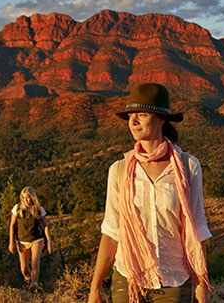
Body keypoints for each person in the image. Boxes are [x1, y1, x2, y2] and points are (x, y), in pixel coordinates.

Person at [87, 83, 212, 303]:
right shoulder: (119, 170)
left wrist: (202, 284)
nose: (133, 121)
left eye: (142, 115)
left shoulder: (187, 167)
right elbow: (111, 231)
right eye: (131, 115)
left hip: (173, 279)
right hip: (128, 279)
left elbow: (198, 227)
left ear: (162, 119)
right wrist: (95, 287)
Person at [8, 186, 53, 291]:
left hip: (37, 240)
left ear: (33, 197)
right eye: (24, 198)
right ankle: (28, 279)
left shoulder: (38, 209)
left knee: (34, 263)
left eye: (28, 197)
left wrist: (49, 242)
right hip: (22, 241)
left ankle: (34, 285)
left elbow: (45, 226)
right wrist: (11, 242)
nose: (26, 200)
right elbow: (12, 226)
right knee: (24, 269)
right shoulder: (17, 208)